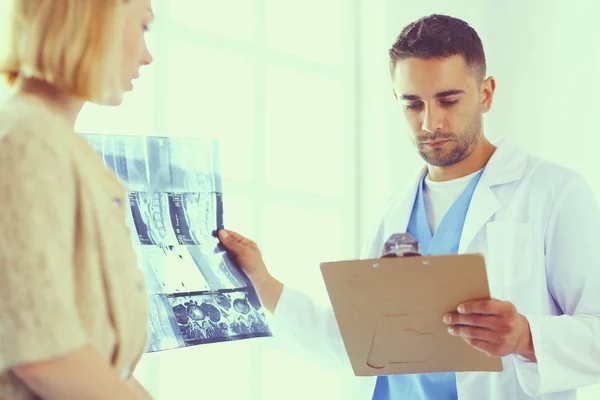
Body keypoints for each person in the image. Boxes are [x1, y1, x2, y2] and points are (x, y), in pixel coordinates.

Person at [218, 14, 600, 400]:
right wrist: (262, 282)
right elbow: (357, 342)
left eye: (448, 100)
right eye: (412, 104)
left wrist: (526, 336)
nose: (429, 122)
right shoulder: (396, 210)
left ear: (486, 93)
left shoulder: (555, 193)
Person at [0, 0, 154, 399]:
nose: (147, 56)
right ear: (94, 19)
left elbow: (99, 364)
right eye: (143, 27)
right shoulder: (26, 141)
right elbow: (45, 353)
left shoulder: (60, 147)